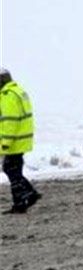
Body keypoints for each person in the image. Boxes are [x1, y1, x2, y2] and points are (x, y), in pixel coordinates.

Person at [0, 69, 41, 214]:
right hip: (22, 139)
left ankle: (23, 200)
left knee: (11, 169)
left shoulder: (7, 96)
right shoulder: (18, 91)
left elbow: (10, 122)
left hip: (14, 141)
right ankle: (27, 196)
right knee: (12, 169)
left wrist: (5, 142)